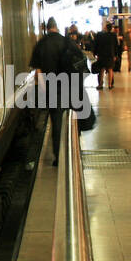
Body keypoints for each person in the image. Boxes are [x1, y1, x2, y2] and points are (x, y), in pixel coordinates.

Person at [30, 18, 84, 167]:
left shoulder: (41, 44)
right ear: (57, 27)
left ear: (47, 28)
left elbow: (38, 72)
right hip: (69, 87)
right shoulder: (67, 42)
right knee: (72, 119)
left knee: (57, 122)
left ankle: (58, 157)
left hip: (52, 90)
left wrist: (43, 92)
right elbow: (79, 64)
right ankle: (74, 149)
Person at [93, 21, 117, 90]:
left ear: (106, 28)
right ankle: (109, 85)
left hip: (101, 55)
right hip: (110, 55)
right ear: (111, 28)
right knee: (110, 69)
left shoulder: (100, 35)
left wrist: (95, 53)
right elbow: (116, 46)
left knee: (101, 69)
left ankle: (100, 85)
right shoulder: (113, 35)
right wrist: (115, 55)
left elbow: (96, 45)